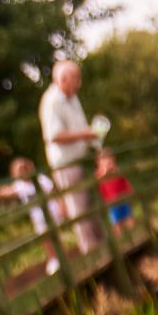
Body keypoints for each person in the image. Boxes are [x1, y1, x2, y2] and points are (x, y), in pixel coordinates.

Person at [39, 59, 104, 254]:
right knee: (80, 210)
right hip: (67, 166)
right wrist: (86, 134)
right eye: (76, 78)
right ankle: (92, 254)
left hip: (81, 160)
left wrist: (94, 144)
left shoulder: (72, 98)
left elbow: (80, 128)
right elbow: (54, 136)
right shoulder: (52, 101)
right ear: (63, 79)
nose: (79, 83)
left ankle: (103, 248)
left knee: (93, 207)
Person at [0, 156, 63, 274]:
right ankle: (54, 259)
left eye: (25, 168)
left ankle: (61, 257)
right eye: (20, 170)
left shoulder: (40, 179)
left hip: (53, 212)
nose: (23, 171)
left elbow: (54, 192)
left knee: (55, 236)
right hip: (39, 218)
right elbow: (7, 191)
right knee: (45, 238)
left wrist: (61, 206)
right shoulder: (20, 186)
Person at [96, 151, 134, 227]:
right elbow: (100, 182)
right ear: (99, 163)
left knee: (128, 217)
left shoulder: (117, 169)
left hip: (122, 197)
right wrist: (105, 172)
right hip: (112, 201)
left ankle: (132, 232)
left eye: (110, 161)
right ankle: (120, 236)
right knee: (116, 221)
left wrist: (129, 189)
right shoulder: (99, 173)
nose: (108, 164)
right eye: (105, 162)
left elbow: (124, 180)